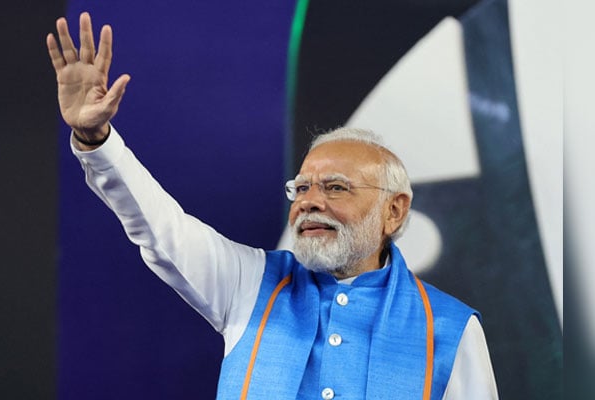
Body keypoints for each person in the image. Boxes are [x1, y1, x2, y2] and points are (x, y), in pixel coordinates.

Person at [47, 12, 498, 400]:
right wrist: (97, 140)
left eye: (335, 188)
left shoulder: (450, 329)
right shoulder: (250, 285)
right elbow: (163, 229)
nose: (310, 203)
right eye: (300, 189)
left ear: (395, 211)